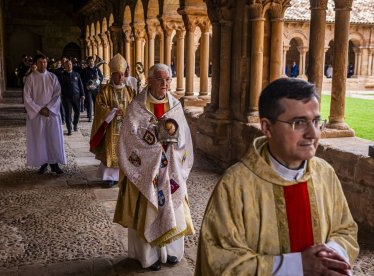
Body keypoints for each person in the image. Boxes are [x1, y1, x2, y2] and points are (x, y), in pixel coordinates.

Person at [195, 78, 359, 275]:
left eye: (316, 121)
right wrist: (298, 266)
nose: (313, 133)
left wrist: (329, 256)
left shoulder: (325, 173)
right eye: (299, 123)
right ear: (267, 128)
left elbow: (346, 229)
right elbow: (219, 260)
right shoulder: (235, 185)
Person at [114, 63, 195, 271]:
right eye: (160, 79)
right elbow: (128, 139)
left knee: (173, 206)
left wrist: (171, 147)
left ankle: (171, 252)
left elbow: (184, 138)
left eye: (168, 80)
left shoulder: (175, 106)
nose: (165, 84)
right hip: (147, 170)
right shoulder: (136, 107)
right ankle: (149, 257)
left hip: (171, 170)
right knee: (149, 209)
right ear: (149, 81)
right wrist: (153, 148)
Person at [89, 53, 135, 187]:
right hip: (111, 126)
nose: (120, 77)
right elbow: (99, 105)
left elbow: (135, 106)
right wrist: (112, 111)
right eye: (117, 74)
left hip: (126, 127)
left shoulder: (130, 90)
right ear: (113, 75)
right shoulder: (105, 91)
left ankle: (125, 173)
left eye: (122, 74)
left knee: (126, 150)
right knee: (111, 149)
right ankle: (110, 177)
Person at [23, 54, 67, 175]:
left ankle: (54, 164)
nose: (43, 64)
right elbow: (27, 97)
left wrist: (49, 108)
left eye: (45, 62)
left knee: (53, 138)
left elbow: (57, 94)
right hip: (37, 115)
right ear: (36, 64)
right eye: (41, 62)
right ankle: (43, 163)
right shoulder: (30, 78)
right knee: (40, 139)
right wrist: (39, 109)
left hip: (51, 114)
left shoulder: (52, 77)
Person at [58, 59, 85, 135]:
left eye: (70, 64)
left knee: (77, 112)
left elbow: (80, 85)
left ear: (72, 65)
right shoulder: (62, 75)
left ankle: (75, 123)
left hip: (76, 96)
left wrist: (82, 94)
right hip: (66, 98)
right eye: (67, 65)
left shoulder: (76, 74)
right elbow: (59, 86)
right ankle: (69, 129)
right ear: (64, 66)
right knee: (68, 113)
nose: (69, 66)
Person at [82, 56, 104, 122]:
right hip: (88, 89)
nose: (91, 63)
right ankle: (89, 116)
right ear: (88, 63)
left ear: (93, 62)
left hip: (96, 88)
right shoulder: (85, 70)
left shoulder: (97, 69)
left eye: (92, 61)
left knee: (96, 102)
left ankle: (96, 115)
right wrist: (88, 82)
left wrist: (98, 81)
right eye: (89, 62)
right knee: (89, 103)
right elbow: (82, 80)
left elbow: (101, 77)